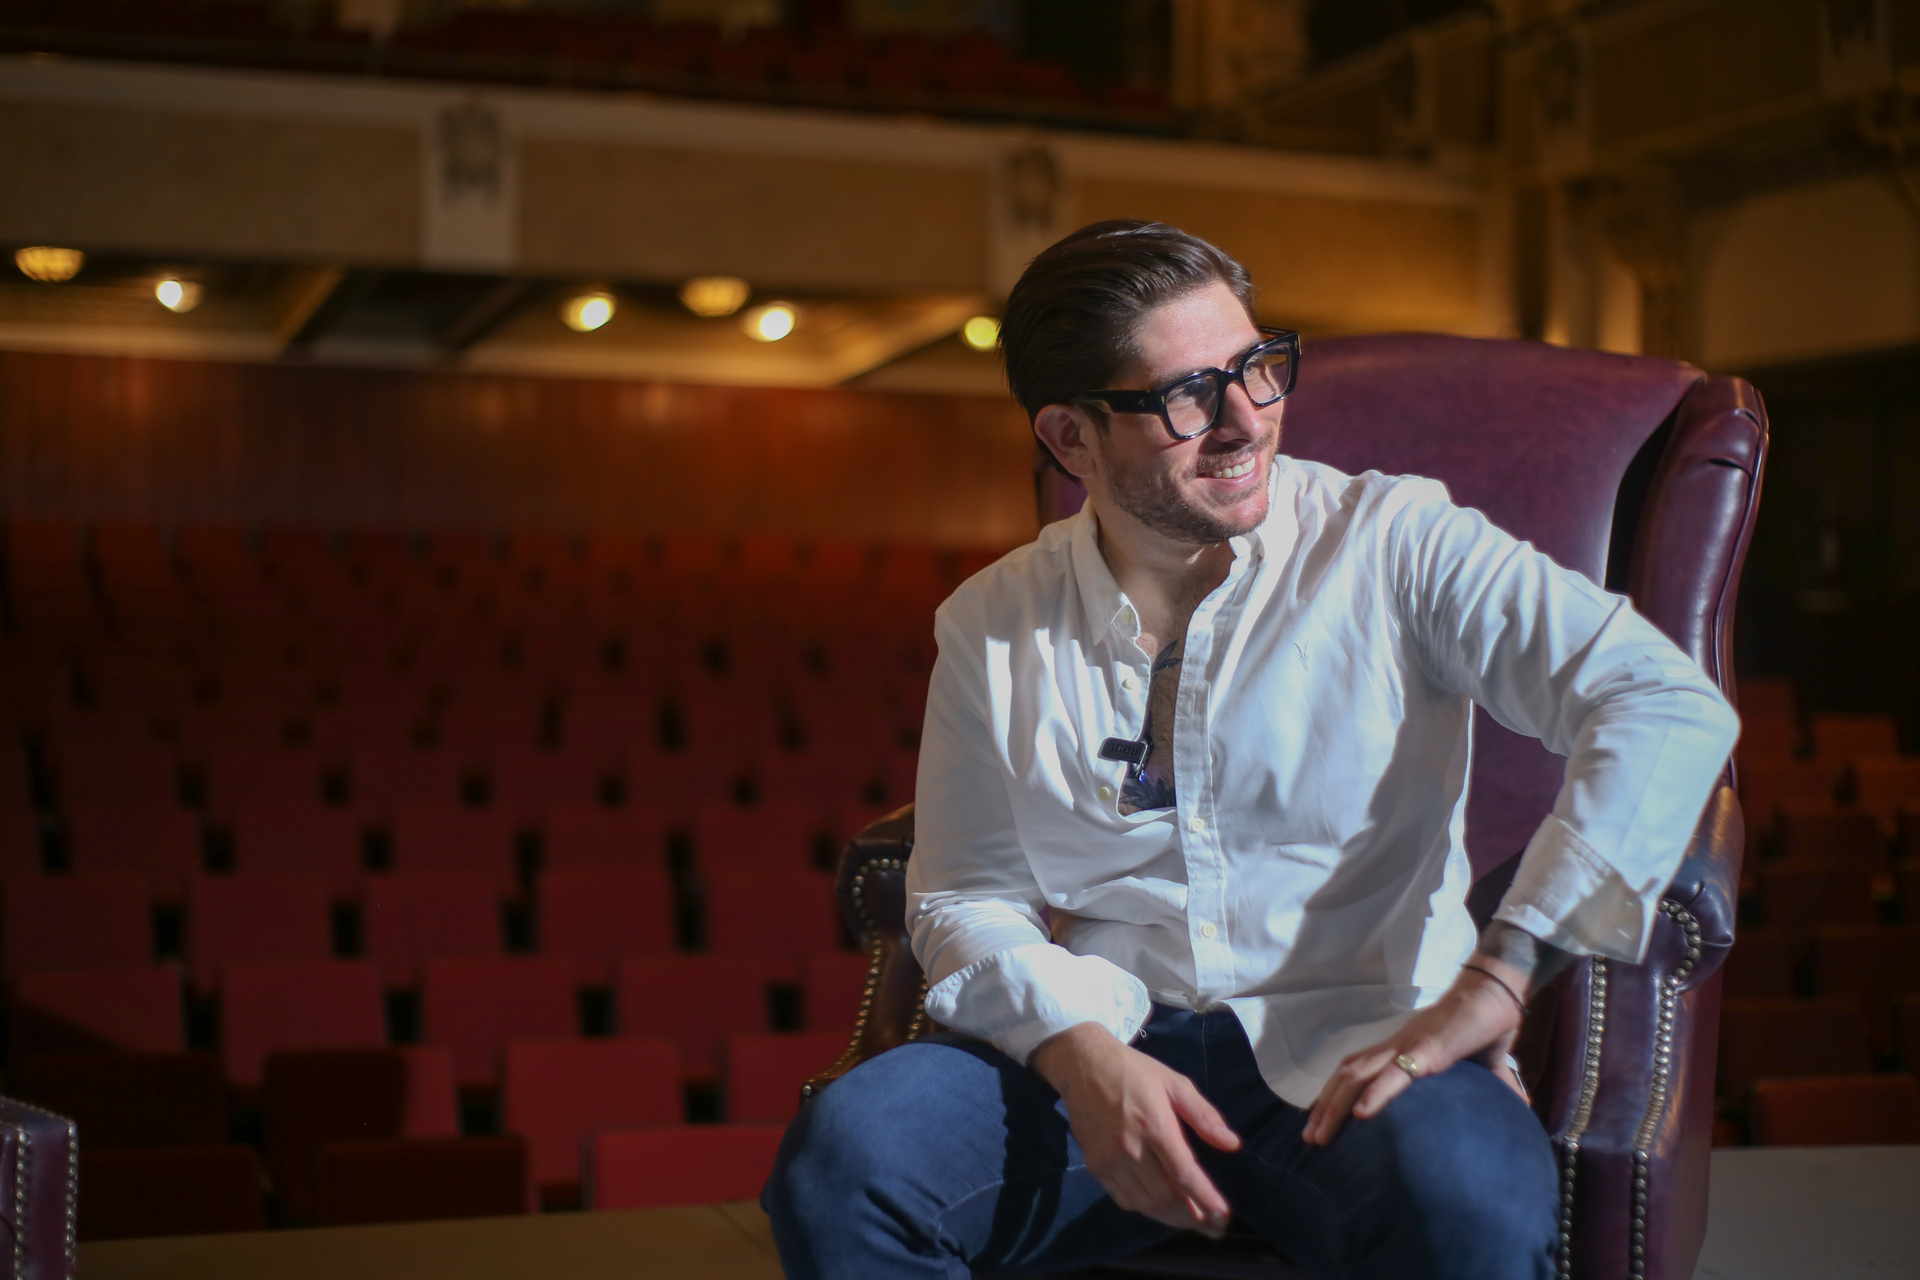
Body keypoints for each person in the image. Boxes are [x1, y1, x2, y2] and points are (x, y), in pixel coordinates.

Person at [762, 220, 1739, 1279]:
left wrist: (1503, 975)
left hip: (1362, 1049)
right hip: (1103, 1035)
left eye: (1258, 367)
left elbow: (1661, 703)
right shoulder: (992, 620)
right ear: (1072, 438)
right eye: (1187, 395)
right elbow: (966, 893)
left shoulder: (1397, 541)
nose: (1245, 421)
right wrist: (1080, 1058)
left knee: (1471, 1207)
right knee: (846, 1164)